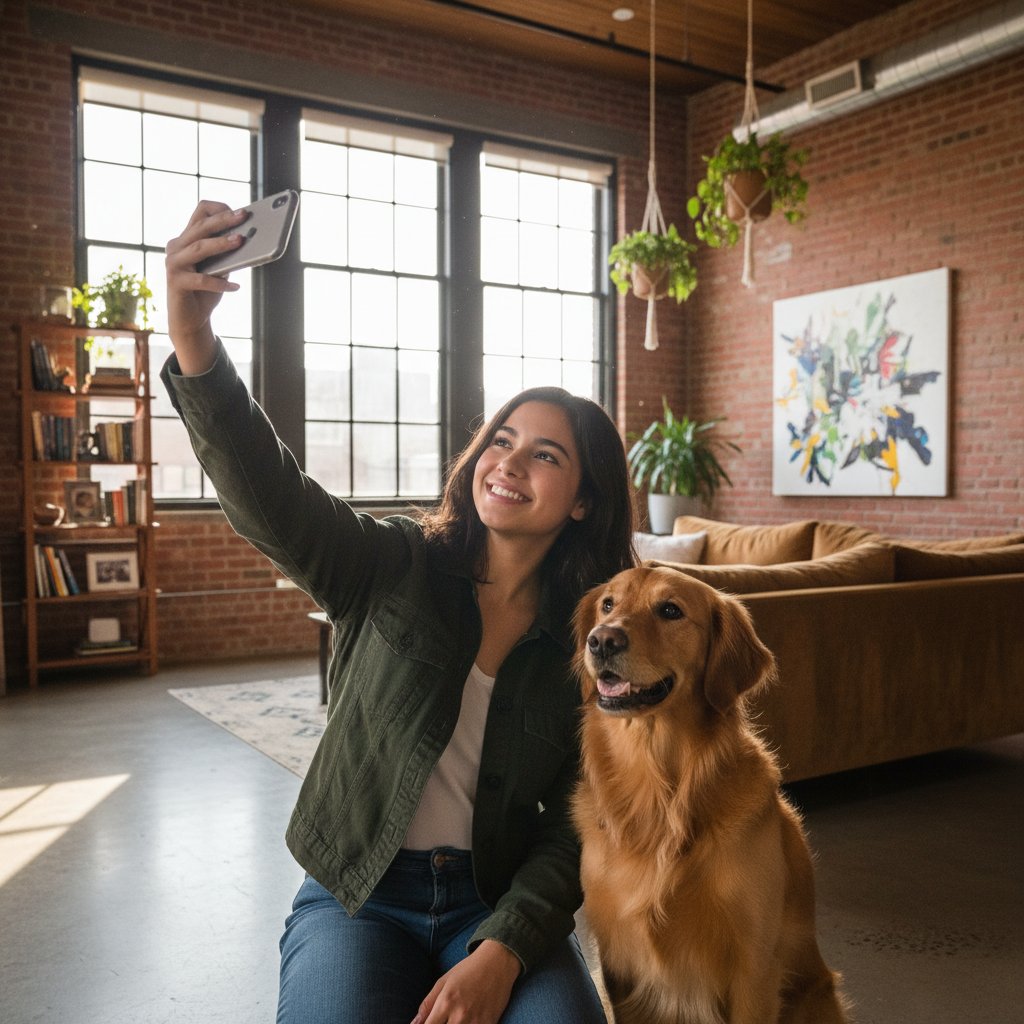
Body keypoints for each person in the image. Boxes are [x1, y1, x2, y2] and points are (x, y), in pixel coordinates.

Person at [163, 201, 637, 1024]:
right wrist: (195, 343)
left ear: (584, 503)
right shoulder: (395, 563)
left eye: (545, 454)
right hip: (358, 894)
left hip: (496, 907)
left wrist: (503, 950)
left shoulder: (592, 646)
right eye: (502, 438)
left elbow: (577, 819)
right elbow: (272, 497)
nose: (508, 461)